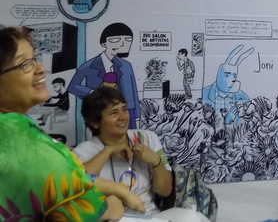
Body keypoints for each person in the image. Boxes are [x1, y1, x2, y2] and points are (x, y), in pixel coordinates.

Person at [0, 25, 126, 221]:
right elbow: (83, 207)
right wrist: (113, 204)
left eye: (35, 58)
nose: (41, 69)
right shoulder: (14, 133)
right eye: (25, 64)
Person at [73, 86, 209, 222]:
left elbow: (165, 191)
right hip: (116, 218)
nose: (122, 117)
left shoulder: (146, 138)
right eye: (113, 113)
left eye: (124, 109)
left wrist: (155, 161)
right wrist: (108, 151)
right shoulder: (85, 151)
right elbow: (75, 184)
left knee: (191, 217)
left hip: (151, 215)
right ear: (95, 122)